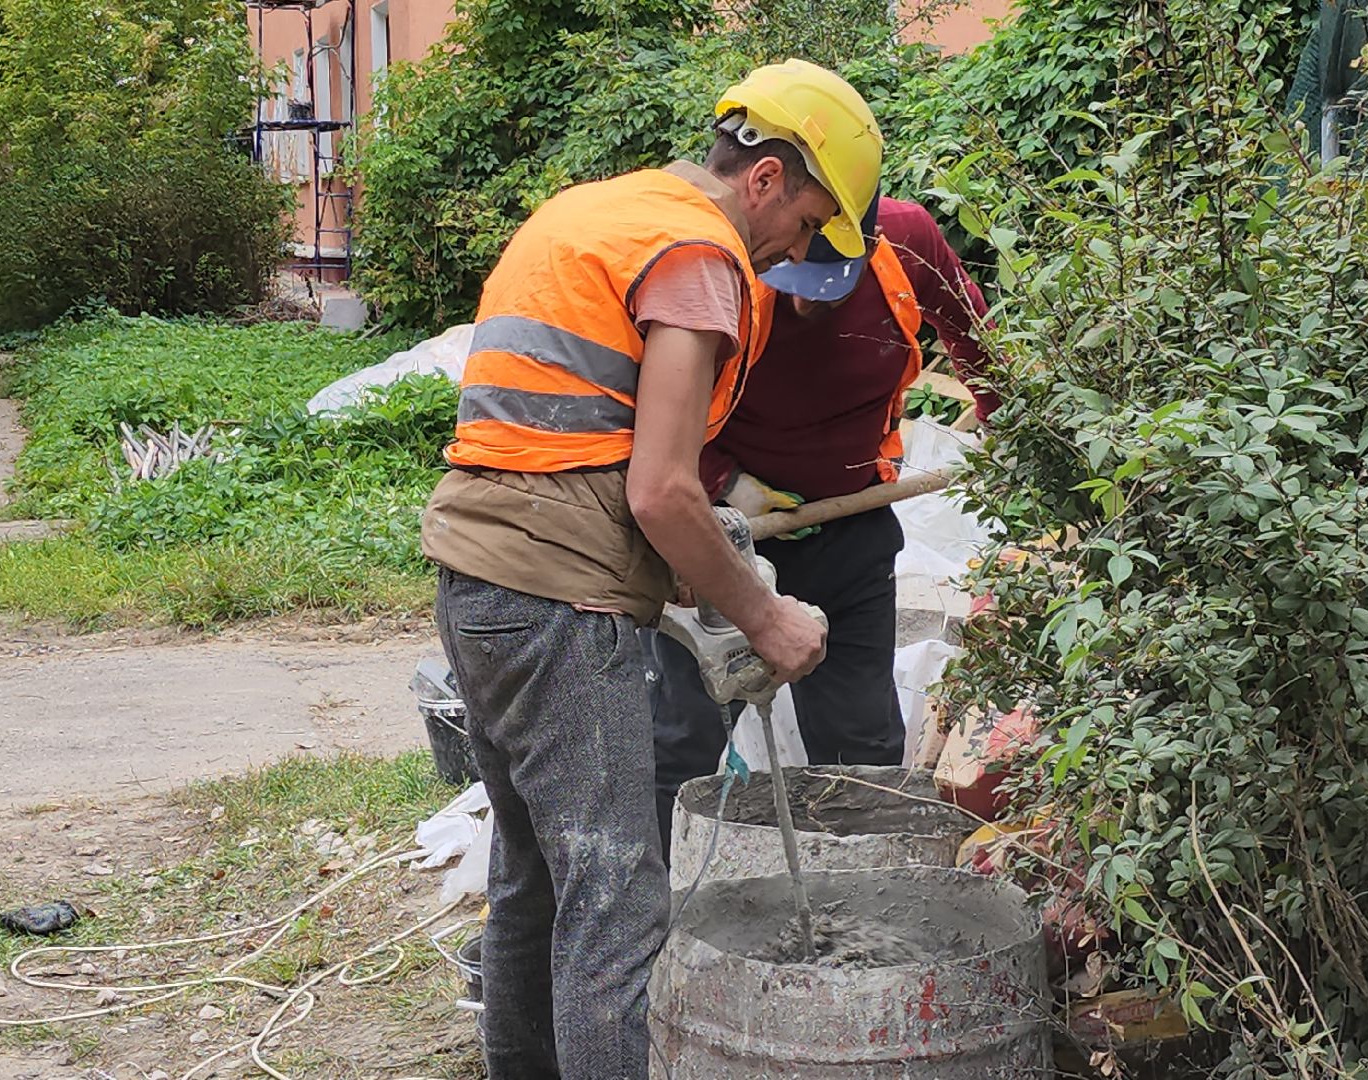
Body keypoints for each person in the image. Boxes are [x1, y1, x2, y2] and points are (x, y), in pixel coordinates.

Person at [421, 60, 882, 1079]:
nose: (796, 252)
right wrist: (765, 619)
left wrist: (683, 566)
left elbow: (573, 438)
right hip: (556, 602)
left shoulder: (598, 212)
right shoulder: (698, 256)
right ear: (766, 177)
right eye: (807, 223)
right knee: (616, 899)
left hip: (477, 580)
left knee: (536, 878)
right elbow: (664, 492)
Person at [647, 192, 996, 851]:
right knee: (682, 735)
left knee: (861, 744)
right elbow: (651, 409)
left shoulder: (905, 241)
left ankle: (867, 884)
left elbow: (970, 325)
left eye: (828, 285)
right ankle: (649, 896)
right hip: (719, 539)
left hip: (850, 530)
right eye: (795, 277)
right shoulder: (720, 271)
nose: (807, 303)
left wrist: (1006, 415)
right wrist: (724, 482)